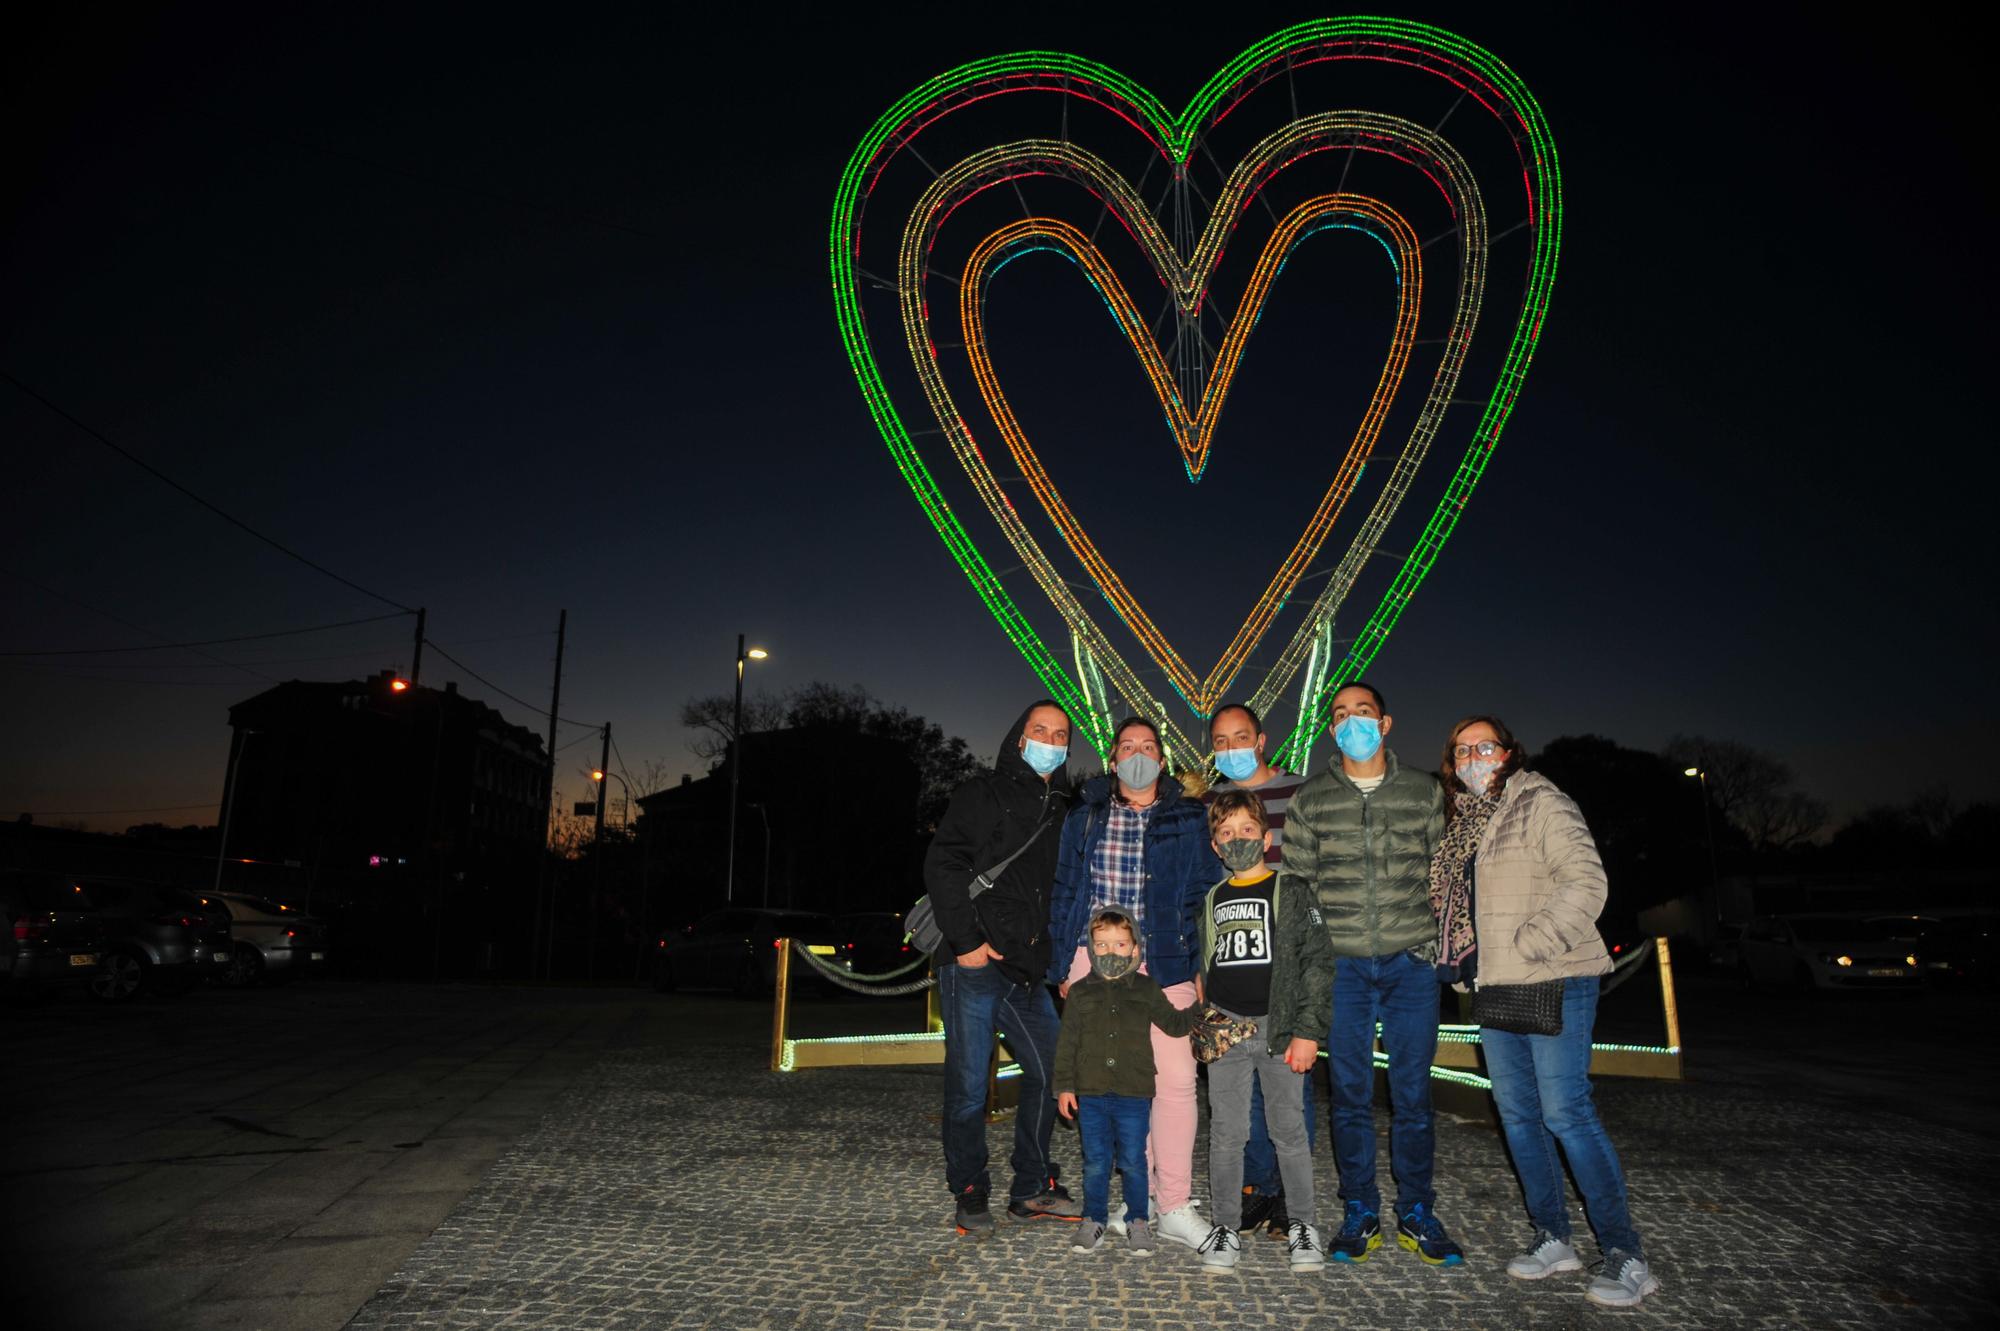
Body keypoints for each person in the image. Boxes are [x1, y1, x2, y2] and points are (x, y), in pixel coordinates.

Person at [1430, 715, 1661, 1307]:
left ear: (1509, 751)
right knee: (1518, 1117)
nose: (1473, 756)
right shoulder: (1463, 823)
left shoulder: (1540, 801)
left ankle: (1625, 1253)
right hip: (1497, 988)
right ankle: (1552, 1236)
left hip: (1555, 976)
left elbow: (1586, 882)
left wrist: (1530, 943)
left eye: (1484, 745)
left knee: (1566, 1113)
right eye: (1461, 750)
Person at [1282, 681, 1462, 1266]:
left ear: (1385, 724)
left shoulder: (1423, 792)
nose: (1351, 721)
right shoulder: (1311, 800)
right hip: (1344, 969)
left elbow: (1443, 874)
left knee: (1413, 1095)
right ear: (1330, 730)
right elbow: (1300, 891)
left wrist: (1436, 944)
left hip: (1409, 963)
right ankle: (1360, 1208)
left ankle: (1416, 1209)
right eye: (1340, 715)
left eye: (1363, 712)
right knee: (1351, 1096)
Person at [1047, 716, 1221, 1251]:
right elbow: (1066, 889)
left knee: (1172, 1080)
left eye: (1148, 746)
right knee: (1108, 1075)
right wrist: (1063, 964)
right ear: (1113, 759)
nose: (1138, 754)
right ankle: (1133, 1200)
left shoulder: (1191, 816)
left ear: (1162, 760)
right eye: (1128, 746)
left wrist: (1201, 963)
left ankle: (1171, 1204)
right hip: (1093, 960)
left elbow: (1204, 893)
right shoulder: (1085, 816)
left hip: (1166, 961)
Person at [923, 700, 1079, 1237]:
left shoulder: (1063, 806)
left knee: (1050, 1071)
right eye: (1041, 730)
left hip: (1025, 968)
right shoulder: (982, 793)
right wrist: (965, 941)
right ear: (1019, 737)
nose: (1050, 740)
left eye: (1060, 734)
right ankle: (969, 1189)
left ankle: (1031, 1185)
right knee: (968, 1087)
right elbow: (943, 863)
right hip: (973, 962)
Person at [1191, 790, 1338, 1274]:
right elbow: (1207, 964)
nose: (1237, 840)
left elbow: (1317, 962)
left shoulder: (1291, 890)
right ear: (1215, 845)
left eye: (1246, 831)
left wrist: (1307, 1031)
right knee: (1228, 1134)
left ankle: (1303, 1224)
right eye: (1226, 833)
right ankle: (1226, 1227)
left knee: (1289, 1131)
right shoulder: (1212, 898)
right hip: (1229, 1029)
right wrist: (1206, 1015)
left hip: (1281, 1028)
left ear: (1266, 838)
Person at [1205, 702, 1316, 1237]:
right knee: (1237, 1117)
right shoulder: (1212, 805)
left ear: (1262, 738)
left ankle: (1294, 1208)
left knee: (1289, 1110)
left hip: (1285, 974)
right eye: (1221, 742)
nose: (1232, 749)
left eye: (1240, 737)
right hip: (1235, 995)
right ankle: (1258, 1192)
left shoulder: (1301, 793)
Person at [1054, 908, 1204, 1256]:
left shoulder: (1147, 987)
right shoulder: (1079, 993)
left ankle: (1138, 1220)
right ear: (1090, 948)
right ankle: (1093, 1219)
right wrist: (1064, 1086)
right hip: (1090, 1093)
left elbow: (1174, 1024)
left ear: (1136, 949)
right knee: (1095, 1160)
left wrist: (1200, 1002)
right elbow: (1067, 1044)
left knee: (1134, 1160)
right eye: (1102, 944)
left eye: (1120, 944)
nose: (1110, 952)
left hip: (1134, 1093)